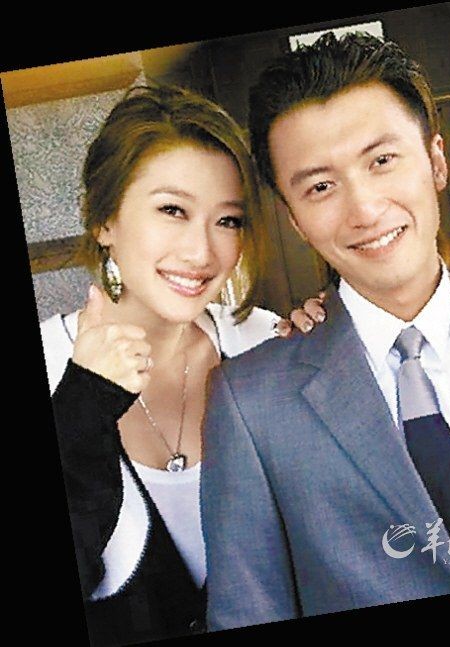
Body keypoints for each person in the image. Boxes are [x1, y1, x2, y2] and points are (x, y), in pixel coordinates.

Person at [200, 32, 450, 631]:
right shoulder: (249, 403)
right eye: (320, 186)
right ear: (294, 218)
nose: (363, 209)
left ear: (436, 161)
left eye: (382, 160)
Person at [39, 84, 325, 646]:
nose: (202, 253)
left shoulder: (263, 342)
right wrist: (81, 408)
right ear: (104, 220)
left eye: (228, 221)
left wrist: (331, 364)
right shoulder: (50, 365)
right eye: (172, 210)